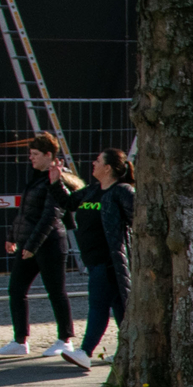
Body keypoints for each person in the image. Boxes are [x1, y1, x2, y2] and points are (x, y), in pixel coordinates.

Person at [0, 133, 81, 358]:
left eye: (35, 154)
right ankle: (20, 341)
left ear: (49, 155)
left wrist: (32, 245)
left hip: (49, 244)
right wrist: (13, 235)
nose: (30, 158)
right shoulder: (35, 177)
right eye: (30, 154)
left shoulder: (56, 178)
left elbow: (50, 216)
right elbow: (25, 212)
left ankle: (65, 339)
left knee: (56, 291)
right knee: (16, 290)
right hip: (29, 243)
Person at [52, 148, 134, 371]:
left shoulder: (122, 191)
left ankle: (85, 352)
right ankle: (130, 352)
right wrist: (56, 182)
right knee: (121, 308)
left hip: (109, 260)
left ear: (108, 167)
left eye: (97, 161)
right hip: (93, 260)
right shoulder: (93, 190)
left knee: (98, 305)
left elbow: (137, 220)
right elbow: (69, 204)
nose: (93, 163)